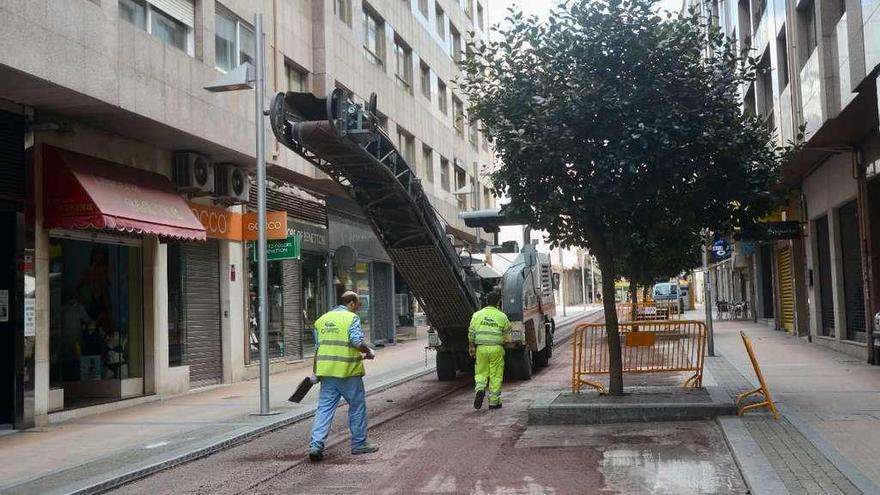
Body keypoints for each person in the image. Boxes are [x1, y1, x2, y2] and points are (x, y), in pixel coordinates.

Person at [308, 291, 377, 462]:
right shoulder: (351, 318)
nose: (357, 309)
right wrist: (369, 351)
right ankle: (359, 445)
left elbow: (318, 348)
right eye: (357, 305)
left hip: (327, 373)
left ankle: (316, 445)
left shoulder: (321, 320)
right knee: (357, 406)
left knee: (324, 409)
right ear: (352, 303)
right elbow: (356, 342)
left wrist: (315, 372)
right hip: (348, 373)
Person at [469, 291, 511, 410]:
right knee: (495, 375)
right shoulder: (502, 316)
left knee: (481, 372)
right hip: (496, 349)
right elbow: (508, 331)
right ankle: (494, 402)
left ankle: (480, 389)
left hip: (481, 348)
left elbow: (471, 333)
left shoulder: (477, 315)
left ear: (486, 301)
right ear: (498, 303)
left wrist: (471, 346)